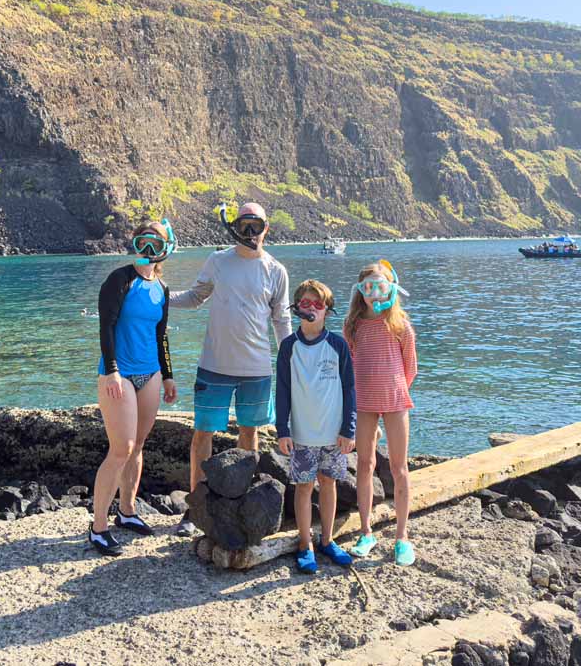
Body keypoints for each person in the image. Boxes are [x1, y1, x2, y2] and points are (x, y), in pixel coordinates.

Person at [169, 201, 292, 536]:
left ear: (267, 229)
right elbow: (196, 297)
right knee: (202, 434)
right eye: (244, 225)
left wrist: (294, 357)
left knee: (249, 433)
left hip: (256, 368)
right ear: (235, 226)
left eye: (257, 225)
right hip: (214, 366)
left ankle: (241, 501)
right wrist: (159, 295)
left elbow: (282, 319)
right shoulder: (219, 260)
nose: (250, 233)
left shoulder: (275, 270)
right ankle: (195, 509)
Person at [89, 220, 178, 555]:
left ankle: (127, 511)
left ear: (166, 249)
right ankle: (98, 527)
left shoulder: (162, 289)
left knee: (138, 444)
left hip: (150, 373)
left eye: (157, 244)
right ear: (136, 243)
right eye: (144, 242)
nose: (149, 250)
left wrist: (168, 375)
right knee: (121, 448)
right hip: (120, 373)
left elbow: (161, 335)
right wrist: (111, 370)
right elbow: (106, 327)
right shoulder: (119, 280)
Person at [275, 279, 356, 573]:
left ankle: (328, 539)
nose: (311, 310)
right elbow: (282, 390)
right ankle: (304, 542)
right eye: (305, 304)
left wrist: (349, 429)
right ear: (297, 308)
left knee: (329, 483)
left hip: (333, 434)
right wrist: (282, 429)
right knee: (304, 486)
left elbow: (349, 389)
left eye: (317, 304)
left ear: (327, 310)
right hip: (302, 434)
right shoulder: (289, 347)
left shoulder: (337, 345)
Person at [344, 260, 418, 565]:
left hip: (396, 401)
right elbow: (348, 367)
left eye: (381, 287)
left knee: (400, 467)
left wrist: (394, 390)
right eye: (369, 288)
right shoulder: (353, 326)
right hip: (363, 403)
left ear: (392, 289)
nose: (375, 294)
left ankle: (402, 537)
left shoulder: (401, 326)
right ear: (360, 292)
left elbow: (410, 368)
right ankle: (366, 531)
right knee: (364, 464)